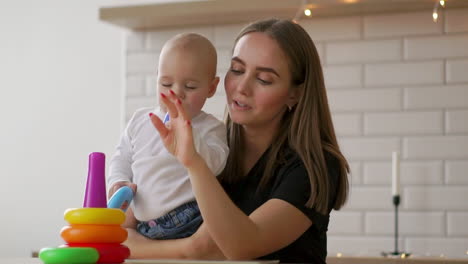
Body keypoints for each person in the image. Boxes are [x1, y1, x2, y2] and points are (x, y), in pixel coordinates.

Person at [125, 18, 350, 263]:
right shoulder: (213, 146)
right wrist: (189, 248)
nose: (241, 87)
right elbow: (124, 232)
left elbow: (241, 245)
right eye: (237, 70)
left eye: (264, 79)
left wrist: (194, 162)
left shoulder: (315, 165)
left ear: (295, 93)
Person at [107, 33, 229, 240]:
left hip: (190, 219)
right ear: (156, 78)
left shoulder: (211, 127)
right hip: (146, 226)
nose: (176, 93)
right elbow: (121, 158)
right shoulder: (140, 120)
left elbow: (217, 164)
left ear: (211, 87)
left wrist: (190, 137)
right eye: (166, 84)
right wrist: (119, 181)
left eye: (190, 87)